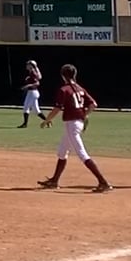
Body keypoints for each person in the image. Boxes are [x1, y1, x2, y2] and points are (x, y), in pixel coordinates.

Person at [38, 63, 114, 192]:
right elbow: (93, 104)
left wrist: (47, 120)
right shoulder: (80, 88)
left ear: (63, 76)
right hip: (78, 122)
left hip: (71, 124)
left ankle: (103, 182)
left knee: (82, 154)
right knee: (62, 152)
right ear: (74, 75)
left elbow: (57, 108)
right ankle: (54, 181)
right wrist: (85, 114)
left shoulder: (64, 89)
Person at [18, 60, 44, 128]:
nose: (26, 65)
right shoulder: (31, 72)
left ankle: (25, 124)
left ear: (31, 65)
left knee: (26, 107)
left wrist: (27, 86)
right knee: (37, 111)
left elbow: (37, 83)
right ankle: (48, 121)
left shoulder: (33, 72)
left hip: (33, 92)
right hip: (32, 92)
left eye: (28, 64)